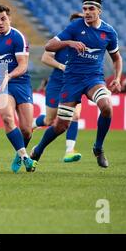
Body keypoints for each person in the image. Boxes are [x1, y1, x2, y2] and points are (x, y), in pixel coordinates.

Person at [30, 0, 123, 169]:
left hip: (93, 79)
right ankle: (38, 150)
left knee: (106, 106)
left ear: (99, 11)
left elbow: (117, 58)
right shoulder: (75, 27)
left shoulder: (109, 32)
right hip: (72, 80)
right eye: (85, 9)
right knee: (60, 125)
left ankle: (98, 147)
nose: (87, 12)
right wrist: (69, 43)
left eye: (91, 9)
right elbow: (48, 46)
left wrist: (117, 78)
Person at [0, 5, 36, 173]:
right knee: (7, 118)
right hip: (0, 85)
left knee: (26, 130)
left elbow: (23, 66)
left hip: (20, 83)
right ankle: (26, 158)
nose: (0, 22)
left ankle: (19, 153)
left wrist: (9, 76)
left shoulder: (18, 37)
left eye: (3, 19)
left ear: (9, 19)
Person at [32, 13, 83, 163]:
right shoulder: (60, 41)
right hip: (56, 83)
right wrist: (62, 66)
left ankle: (69, 151)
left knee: (74, 115)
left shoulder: (88, 43)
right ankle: (32, 125)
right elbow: (45, 57)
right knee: (49, 120)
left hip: (74, 85)